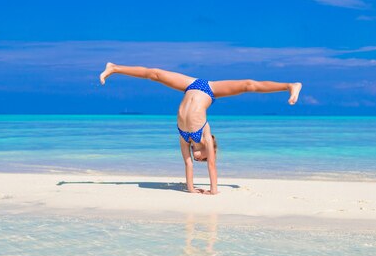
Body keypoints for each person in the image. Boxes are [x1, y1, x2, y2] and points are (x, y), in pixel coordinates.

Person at [99, 63, 302, 195]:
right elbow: (212, 166)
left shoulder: (184, 137)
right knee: (156, 74)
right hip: (208, 88)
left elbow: (188, 164)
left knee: (157, 75)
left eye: (201, 159)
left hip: (193, 86)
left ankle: (289, 86)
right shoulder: (205, 134)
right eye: (204, 158)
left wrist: (191, 189)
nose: (200, 159)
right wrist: (214, 190)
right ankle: (115, 68)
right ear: (210, 148)